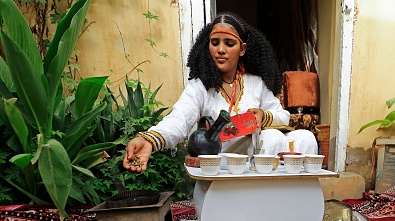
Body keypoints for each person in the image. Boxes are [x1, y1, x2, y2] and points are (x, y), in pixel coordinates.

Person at [123, 12, 318, 172]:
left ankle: (293, 193)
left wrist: (263, 117)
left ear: (242, 49)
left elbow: (283, 117)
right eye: (215, 43)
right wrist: (149, 139)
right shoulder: (201, 86)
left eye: (229, 44)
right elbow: (179, 119)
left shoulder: (256, 83)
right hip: (222, 165)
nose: (221, 50)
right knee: (272, 138)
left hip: (257, 156)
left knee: (305, 138)